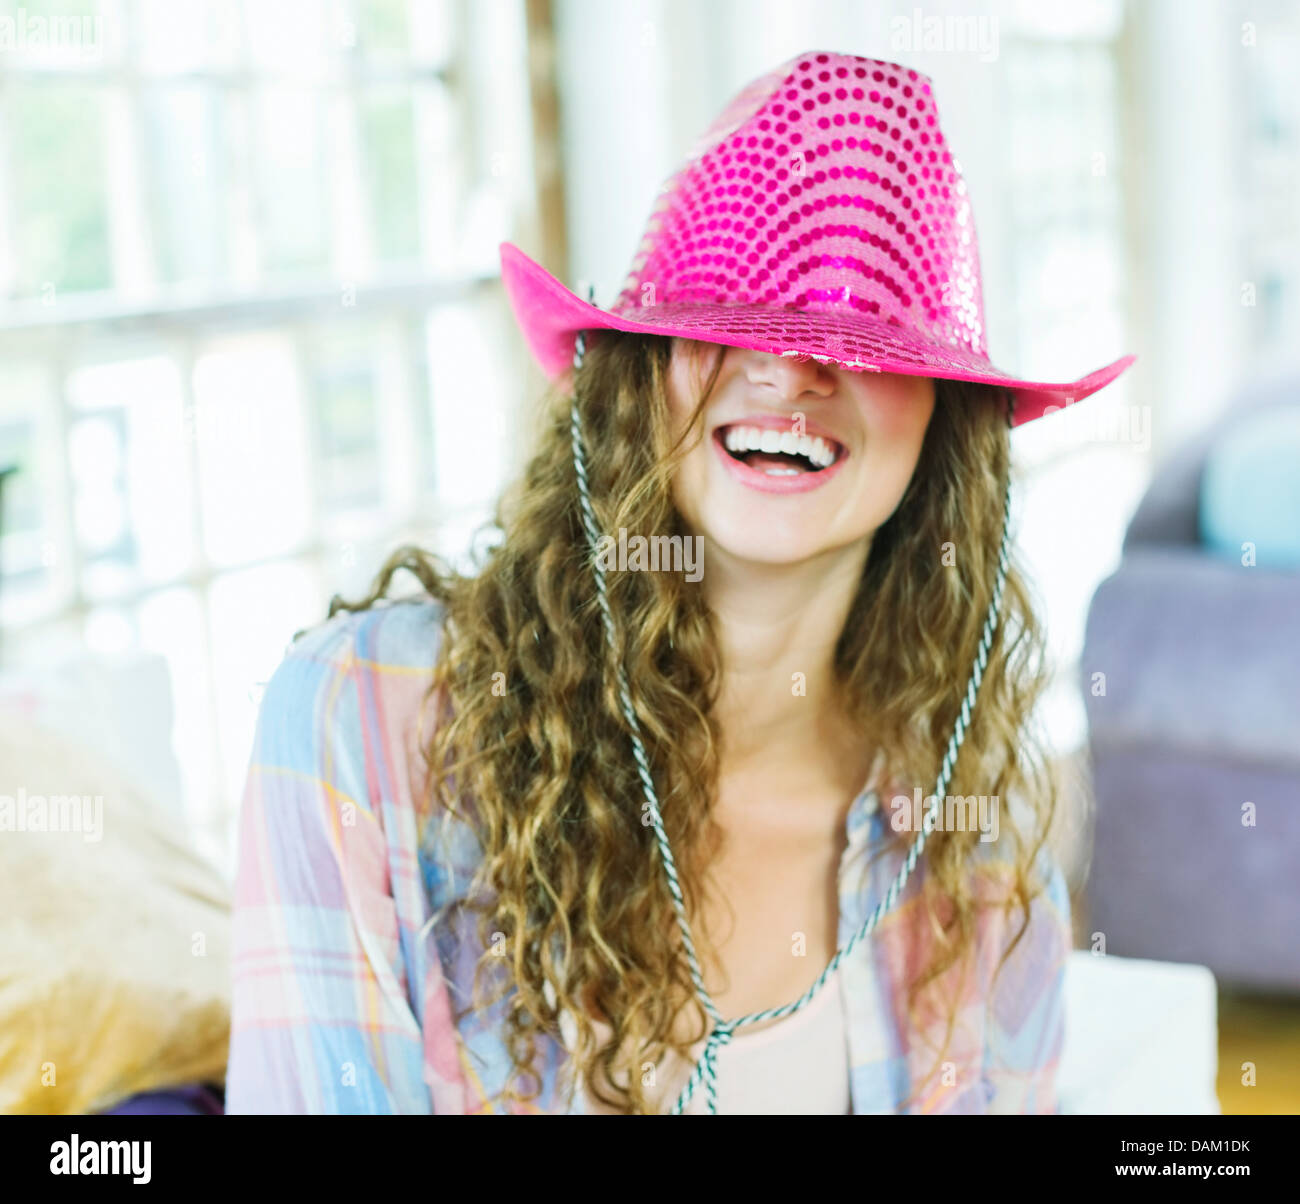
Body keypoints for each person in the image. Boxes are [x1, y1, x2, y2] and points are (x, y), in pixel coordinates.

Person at [226, 49, 1133, 1115]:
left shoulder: (979, 840)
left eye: (865, 337)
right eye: (730, 320)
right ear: (637, 372)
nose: (790, 371)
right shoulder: (362, 721)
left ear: (943, 417)